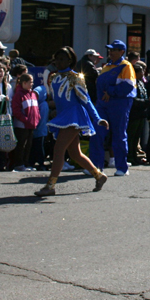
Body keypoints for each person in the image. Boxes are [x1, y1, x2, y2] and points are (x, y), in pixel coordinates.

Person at [34, 47, 109, 196]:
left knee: (58, 149)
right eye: (57, 59)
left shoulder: (76, 77)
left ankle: (50, 186)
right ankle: (99, 176)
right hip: (63, 117)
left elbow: (85, 100)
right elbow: (57, 99)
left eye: (63, 59)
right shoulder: (53, 77)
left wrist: (97, 118)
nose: (59, 62)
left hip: (74, 117)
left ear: (70, 61)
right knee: (75, 154)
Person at [89, 40, 136, 176]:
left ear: (122, 51)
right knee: (97, 132)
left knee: (118, 134)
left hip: (120, 103)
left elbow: (128, 86)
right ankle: (95, 166)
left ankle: (122, 167)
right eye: (110, 49)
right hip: (103, 104)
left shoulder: (126, 66)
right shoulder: (106, 66)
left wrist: (110, 92)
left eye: (114, 49)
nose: (111, 52)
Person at [127, 64, 149, 165]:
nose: (142, 73)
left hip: (141, 113)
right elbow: (133, 99)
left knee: (136, 137)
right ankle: (129, 156)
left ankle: (134, 156)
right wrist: (146, 102)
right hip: (134, 114)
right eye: (140, 71)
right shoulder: (132, 83)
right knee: (131, 136)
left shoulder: (141, 83)